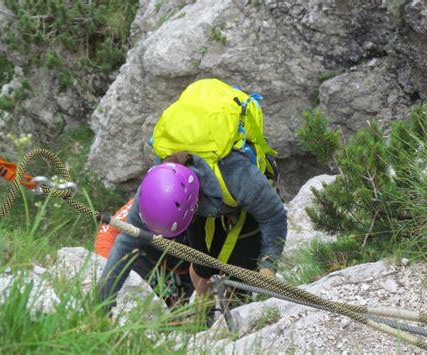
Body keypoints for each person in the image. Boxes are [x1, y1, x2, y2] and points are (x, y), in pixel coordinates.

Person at [97, 79, 288, 317]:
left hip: (241, 207)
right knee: (203, 267)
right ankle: (206, 318)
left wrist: (268, 265)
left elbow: (274, 217)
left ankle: (236, 318)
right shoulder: (157, 185)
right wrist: (101, 306)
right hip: (200, 206)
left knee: (240, 278)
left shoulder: (237, 173)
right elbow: (127, 242)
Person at [94, 199, 193, 307]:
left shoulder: (207, 201)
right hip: (151, 260)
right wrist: (109, 270)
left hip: (192, 264)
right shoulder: (147, 197)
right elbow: (108, 230)